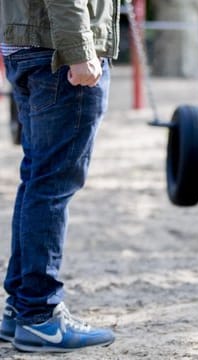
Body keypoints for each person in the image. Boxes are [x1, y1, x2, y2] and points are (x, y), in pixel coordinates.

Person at [0, 0, 120, 352]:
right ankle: (41, 313)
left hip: (29, 44)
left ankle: (21, 309)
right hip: (58, 52)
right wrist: (80, 51)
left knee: (38, 179)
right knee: (50, 185)